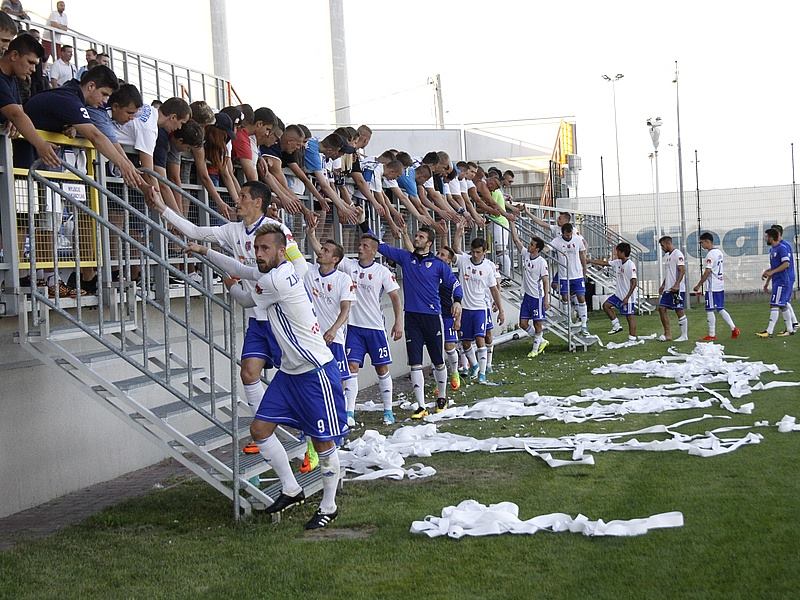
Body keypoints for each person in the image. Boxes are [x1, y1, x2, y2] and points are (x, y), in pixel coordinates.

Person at [188, 223, 346, 530]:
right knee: (260, 430)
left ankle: (329, 506)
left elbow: (246, 296)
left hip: (315, 373)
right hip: (290, 373)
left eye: (264, 249)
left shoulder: (276, 280)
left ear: (279, 250)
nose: (257, 253)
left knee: (324, 443)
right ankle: (291, 489)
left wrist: (229, 284)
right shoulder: (290, 268)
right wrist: (206, 251)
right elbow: (245, 269)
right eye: (256, 248)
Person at [146, 180, 307, 430]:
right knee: (248, 373)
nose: (236, 201)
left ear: (258, 202)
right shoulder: (233, 230)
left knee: (294, 377)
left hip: (281, 318)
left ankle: (308, 436)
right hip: (256, 316)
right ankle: (266, 429)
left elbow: (301, 267)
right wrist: (161, 208)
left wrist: (277, 289)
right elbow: (195, 232)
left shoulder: (276, 230)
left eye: (242, 196)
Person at [361, 218, 462, 418]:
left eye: (421, 237)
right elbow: (379, 245)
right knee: (414, 362)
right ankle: (421, 406)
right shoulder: (406, 258)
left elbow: (455, 283)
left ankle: (441, 397)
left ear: (429, 242)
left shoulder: (439, 265)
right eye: (416, 236)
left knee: (438, 361)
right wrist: (363, 223)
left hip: (433, 317)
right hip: (412, 318)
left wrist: (457, 301)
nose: (417, 238)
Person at [309, 219, 402, 426]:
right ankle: (349, 412)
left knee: (381, 369)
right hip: (353, 329)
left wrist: (398, 323)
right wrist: (312, 236)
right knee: (351, 368)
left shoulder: (382, 272)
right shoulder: (349, 266)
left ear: (374, 251)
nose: (359, 248)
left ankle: (388, 410)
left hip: (375, 328)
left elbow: (395, 297)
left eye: (364, 246)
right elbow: (324, 255)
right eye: (359, 245)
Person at [452, 226, 505, 385]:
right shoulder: (464, 261)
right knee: (465, 342)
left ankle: (483, 372)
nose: (474, 255)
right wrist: (459, 233)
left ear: (484, 252)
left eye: (478, 252)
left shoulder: (488, 268)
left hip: (481, 309)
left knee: (481, 338)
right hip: (465, 309)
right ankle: (474, 365)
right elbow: (455, 249)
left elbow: (494, 289)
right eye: (473, 251)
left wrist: (500, 309)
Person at [0, 34, 59, 166]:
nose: (33, 69)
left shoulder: (12, 80)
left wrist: (13, 119)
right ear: (14, 55)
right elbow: (16, 114)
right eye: (30, 62)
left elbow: (18, 111)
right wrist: (40, 144)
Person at [510, 223, 550, 357]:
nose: (529, 245)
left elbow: (545, 280)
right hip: (527, 295)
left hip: (537, 297)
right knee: (522, 323)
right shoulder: (526, 254)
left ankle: (534, 349)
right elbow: (516, 240)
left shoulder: (542, 262)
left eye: (532, 244)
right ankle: (542, 341)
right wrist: (511, 222)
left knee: (538, 323)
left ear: (537, 249)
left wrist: (546, 298)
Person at [692, 232, 740, 341]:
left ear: (708, 242)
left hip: (712, 286)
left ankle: (712, 334)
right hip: (719, 284)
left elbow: (708, 271)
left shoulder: (710, 255)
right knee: (720, 308)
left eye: (702, 243)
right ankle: (733, 328)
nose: (701, 246)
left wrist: (699, 285)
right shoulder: (719, 252)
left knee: (709, 309)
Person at [589, 242, 639, 341]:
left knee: (630, 316)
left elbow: (634, 283)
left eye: (617, 252)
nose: (616, 254)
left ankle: (632, 338)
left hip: (627, 297)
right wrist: (590, 260)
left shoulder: (630, 265)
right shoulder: (618, 262)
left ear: (623, 252)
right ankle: (616, 325)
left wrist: (627, 297)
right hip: (618, 295)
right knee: (606, 305)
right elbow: (605, 263)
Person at [549, 222, 591, 335]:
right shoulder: (557, 241)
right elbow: (548, 249)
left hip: (577, 275)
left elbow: (582, 254)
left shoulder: (577, 239)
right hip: (564, 276)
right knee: (565, 297)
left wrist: (584, 269)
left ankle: (584, 324)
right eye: (567, 235)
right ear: (562, 233)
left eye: (570, 234)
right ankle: (568, 322)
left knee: (581, 297)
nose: (569, 237)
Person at [756, 228, 795, 338]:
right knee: (782, 305)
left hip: (782, 281)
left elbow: (786, 264)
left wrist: (771, 272)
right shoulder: (772, 250)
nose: (765, 238)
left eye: (766, 236)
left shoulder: (781, 248)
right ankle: (790, 329)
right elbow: (775, 267)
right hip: (777, 281)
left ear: (771, 237)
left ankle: (769, 331)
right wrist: (768, 274)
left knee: (774, 304)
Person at [657, 235, 689, 342]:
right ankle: (668, 334)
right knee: (661, 308)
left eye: (662, 246)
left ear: (667, 243)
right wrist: (663, 285)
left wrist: (677, 284)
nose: (662, 248)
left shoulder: (678, 254)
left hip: (677, 289)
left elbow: (682, 270)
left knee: (679, 310)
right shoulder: (667, 256)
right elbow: (669, 273)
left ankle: (684, 336)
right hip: (668, 288)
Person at [770, 224, 799, 332]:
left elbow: (786, 263)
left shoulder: (784, 246)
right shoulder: (776, 247)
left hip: (787, 276)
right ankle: (794, 324)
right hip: (782, 276)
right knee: (784, 301)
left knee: (783, 301)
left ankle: (793, 324)